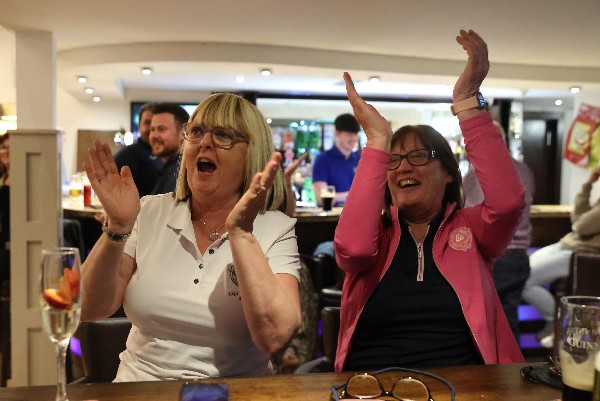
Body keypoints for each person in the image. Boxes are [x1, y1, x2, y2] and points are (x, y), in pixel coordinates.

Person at [334, 29, 526, 372]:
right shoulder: (377, 235)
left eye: (419, 156)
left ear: (449, 173)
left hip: (464, 387)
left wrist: (467, 101)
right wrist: (377, 140)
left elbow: (509, 202)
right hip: (372, 385)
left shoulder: (472, 229)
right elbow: (353, 250)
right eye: (394, 159)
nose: (403, 167)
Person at [81, 93, 301, 381]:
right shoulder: (149, 211)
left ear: (252, 153)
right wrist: (118, 227)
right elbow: (86, 307)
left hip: (234, 392)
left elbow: (275, 337)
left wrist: (241, 234)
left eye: (223, 135)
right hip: (139, 388)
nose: (205, 142)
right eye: (196, 131)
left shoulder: (275, 228)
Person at [463, 121, 535, 342]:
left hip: (494, 257)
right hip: (520, 256)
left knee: (483, 324)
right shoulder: (523, 169)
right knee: (508, 322)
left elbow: (474, 216)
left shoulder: (478, 174)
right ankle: (513, 364)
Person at [522, 165, 600, 348]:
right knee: (523, 270)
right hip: (567, 245)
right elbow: (578, 217)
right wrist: (588, 184)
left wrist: (580, 222)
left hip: (581, 254)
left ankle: (555, 323)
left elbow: (580, 226)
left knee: (524, 278)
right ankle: (555, 323)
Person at [114, 103, 163, 197]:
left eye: (157, 124)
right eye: (147, 122)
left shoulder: (164, 154)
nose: (152, 128)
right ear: (139, 126)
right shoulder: (128, 155)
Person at [312, 113, 360, 206]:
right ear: (337, 133)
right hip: (333, 214)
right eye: (349, 134)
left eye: (355, 134)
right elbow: (321, 198)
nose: (353, 138)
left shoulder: (359, 159)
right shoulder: (323, 159)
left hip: (358, 213)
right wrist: (355, 195)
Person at [149, 103, 190, 195]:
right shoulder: (169, 170)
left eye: (161, 129)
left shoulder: (180, 174)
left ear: (183, 134)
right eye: (152, 129)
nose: (154, 136)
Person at [0, 134, 10, 285]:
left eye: (10, 149)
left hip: (10, 238)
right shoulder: (3, 174)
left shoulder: (19, 177)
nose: (6, 153)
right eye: (4, 148)